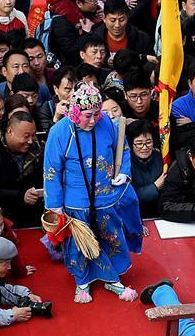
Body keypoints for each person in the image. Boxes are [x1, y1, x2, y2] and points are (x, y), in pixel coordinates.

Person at [43, 81, 142, 305]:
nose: (93, 120)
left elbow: (122, 147)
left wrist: (124, 173)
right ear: (75, 112)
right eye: (87, 115)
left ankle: (112, 277)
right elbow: (51, 170)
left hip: (106, 194)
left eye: (97, 114)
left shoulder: (106, 122)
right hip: (75, 200)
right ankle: (82, 281)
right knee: (79, 242)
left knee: (111, 235)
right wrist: (55, 206)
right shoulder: (59, 132)